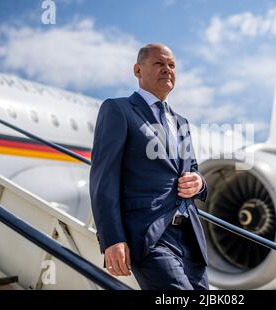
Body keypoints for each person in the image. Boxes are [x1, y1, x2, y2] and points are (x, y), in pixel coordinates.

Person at [89, 43, 209, 290]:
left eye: (172, 65)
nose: (167, 69)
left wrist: (199, 182)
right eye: (159, 63)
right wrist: (112, 239)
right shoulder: (118, 110)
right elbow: (104, 179)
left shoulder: (181, 122)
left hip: (190, 239)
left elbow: (193, 168)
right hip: (150, 237)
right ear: (137, 70)